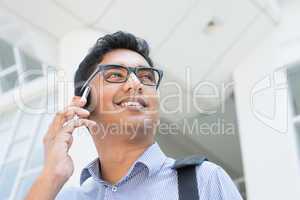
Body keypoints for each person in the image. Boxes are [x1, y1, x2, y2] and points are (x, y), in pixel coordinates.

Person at [25, 31, 242, 200]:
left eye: (146, 76)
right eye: (115, 75)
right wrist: (51, 177)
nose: (136, 84)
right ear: (84, 101)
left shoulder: (204, 179)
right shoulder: (67, 197)